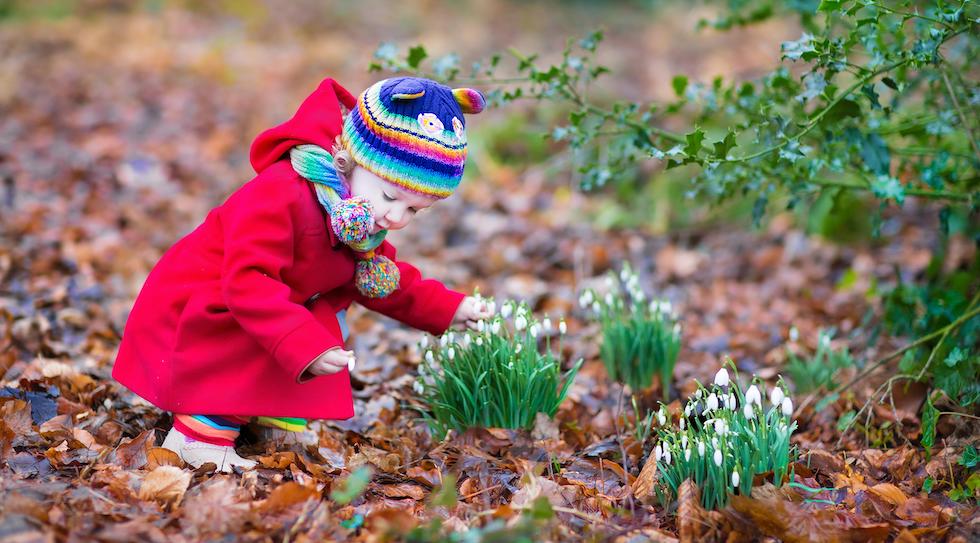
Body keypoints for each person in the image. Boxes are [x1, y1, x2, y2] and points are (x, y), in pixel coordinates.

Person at [112, 76, 491, 472]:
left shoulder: (354, 214)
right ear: (350, 160)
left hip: (261, 300)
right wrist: (305, 345)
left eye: (414, 210)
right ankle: (198, 435)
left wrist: (450, 309)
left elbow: (380, 278)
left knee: (319, 314)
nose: (395, 217)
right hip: (202, 303)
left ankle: (271, 414)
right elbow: (248, 284)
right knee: (279, 328)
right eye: (391, 197)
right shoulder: (282, 194)